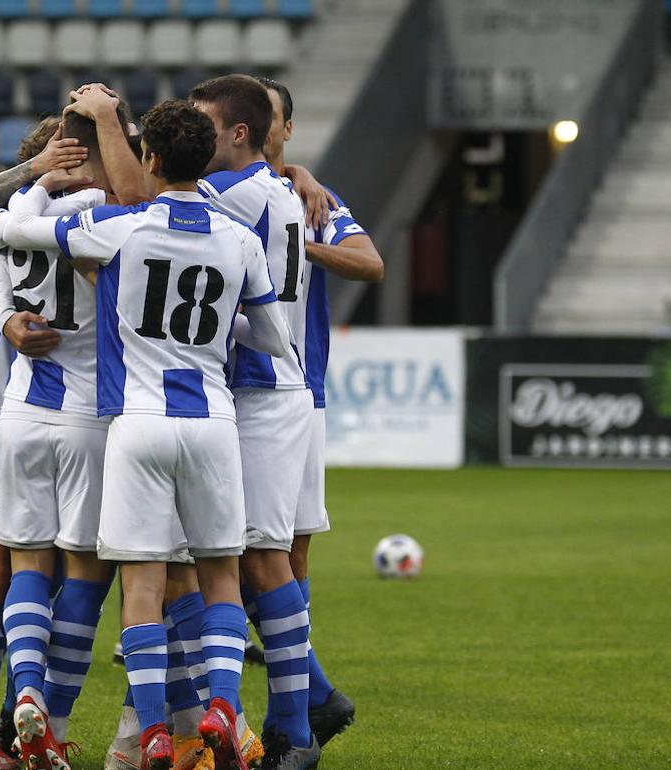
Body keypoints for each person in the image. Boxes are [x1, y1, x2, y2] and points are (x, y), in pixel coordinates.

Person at [4, 97, 292, 770]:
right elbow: (272, 337)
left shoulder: (121, 226)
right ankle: (222, 706)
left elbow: (21, 232)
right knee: (219, 574)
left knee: (141, 583)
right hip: (213, 423)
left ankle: (157, 729)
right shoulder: (237, 238)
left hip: (136, 424)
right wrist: (221, 328)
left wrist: (40, 184)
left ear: (151, 159)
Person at [0, 105, 144, 770]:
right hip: (90, 411)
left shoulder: (10, 214)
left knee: (27, 562)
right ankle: (53, 719)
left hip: (22, 406)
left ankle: (23, 688)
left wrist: (10, 324)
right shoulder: (100, 218)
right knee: (85, 571)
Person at [189, 73, 319, 770]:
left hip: (263, 391)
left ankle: (294, 734)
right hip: (266, 391)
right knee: (243, 558)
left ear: (239, 134)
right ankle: (288, 711)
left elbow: (154, 195)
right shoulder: (274, 188)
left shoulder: (233, 193)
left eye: (205, 128)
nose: (192, 142)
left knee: (261, 558)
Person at [256, 75, 383, 750]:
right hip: (244, 398)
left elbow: (369, 263)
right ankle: (307, 695)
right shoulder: (229, 191)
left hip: (295, 394)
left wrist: (297, 249)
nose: (263, 128)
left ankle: (303, 696)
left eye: (273, 118)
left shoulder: (312, 200)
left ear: (285, 130)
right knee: (261, 554)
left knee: (283, 552)